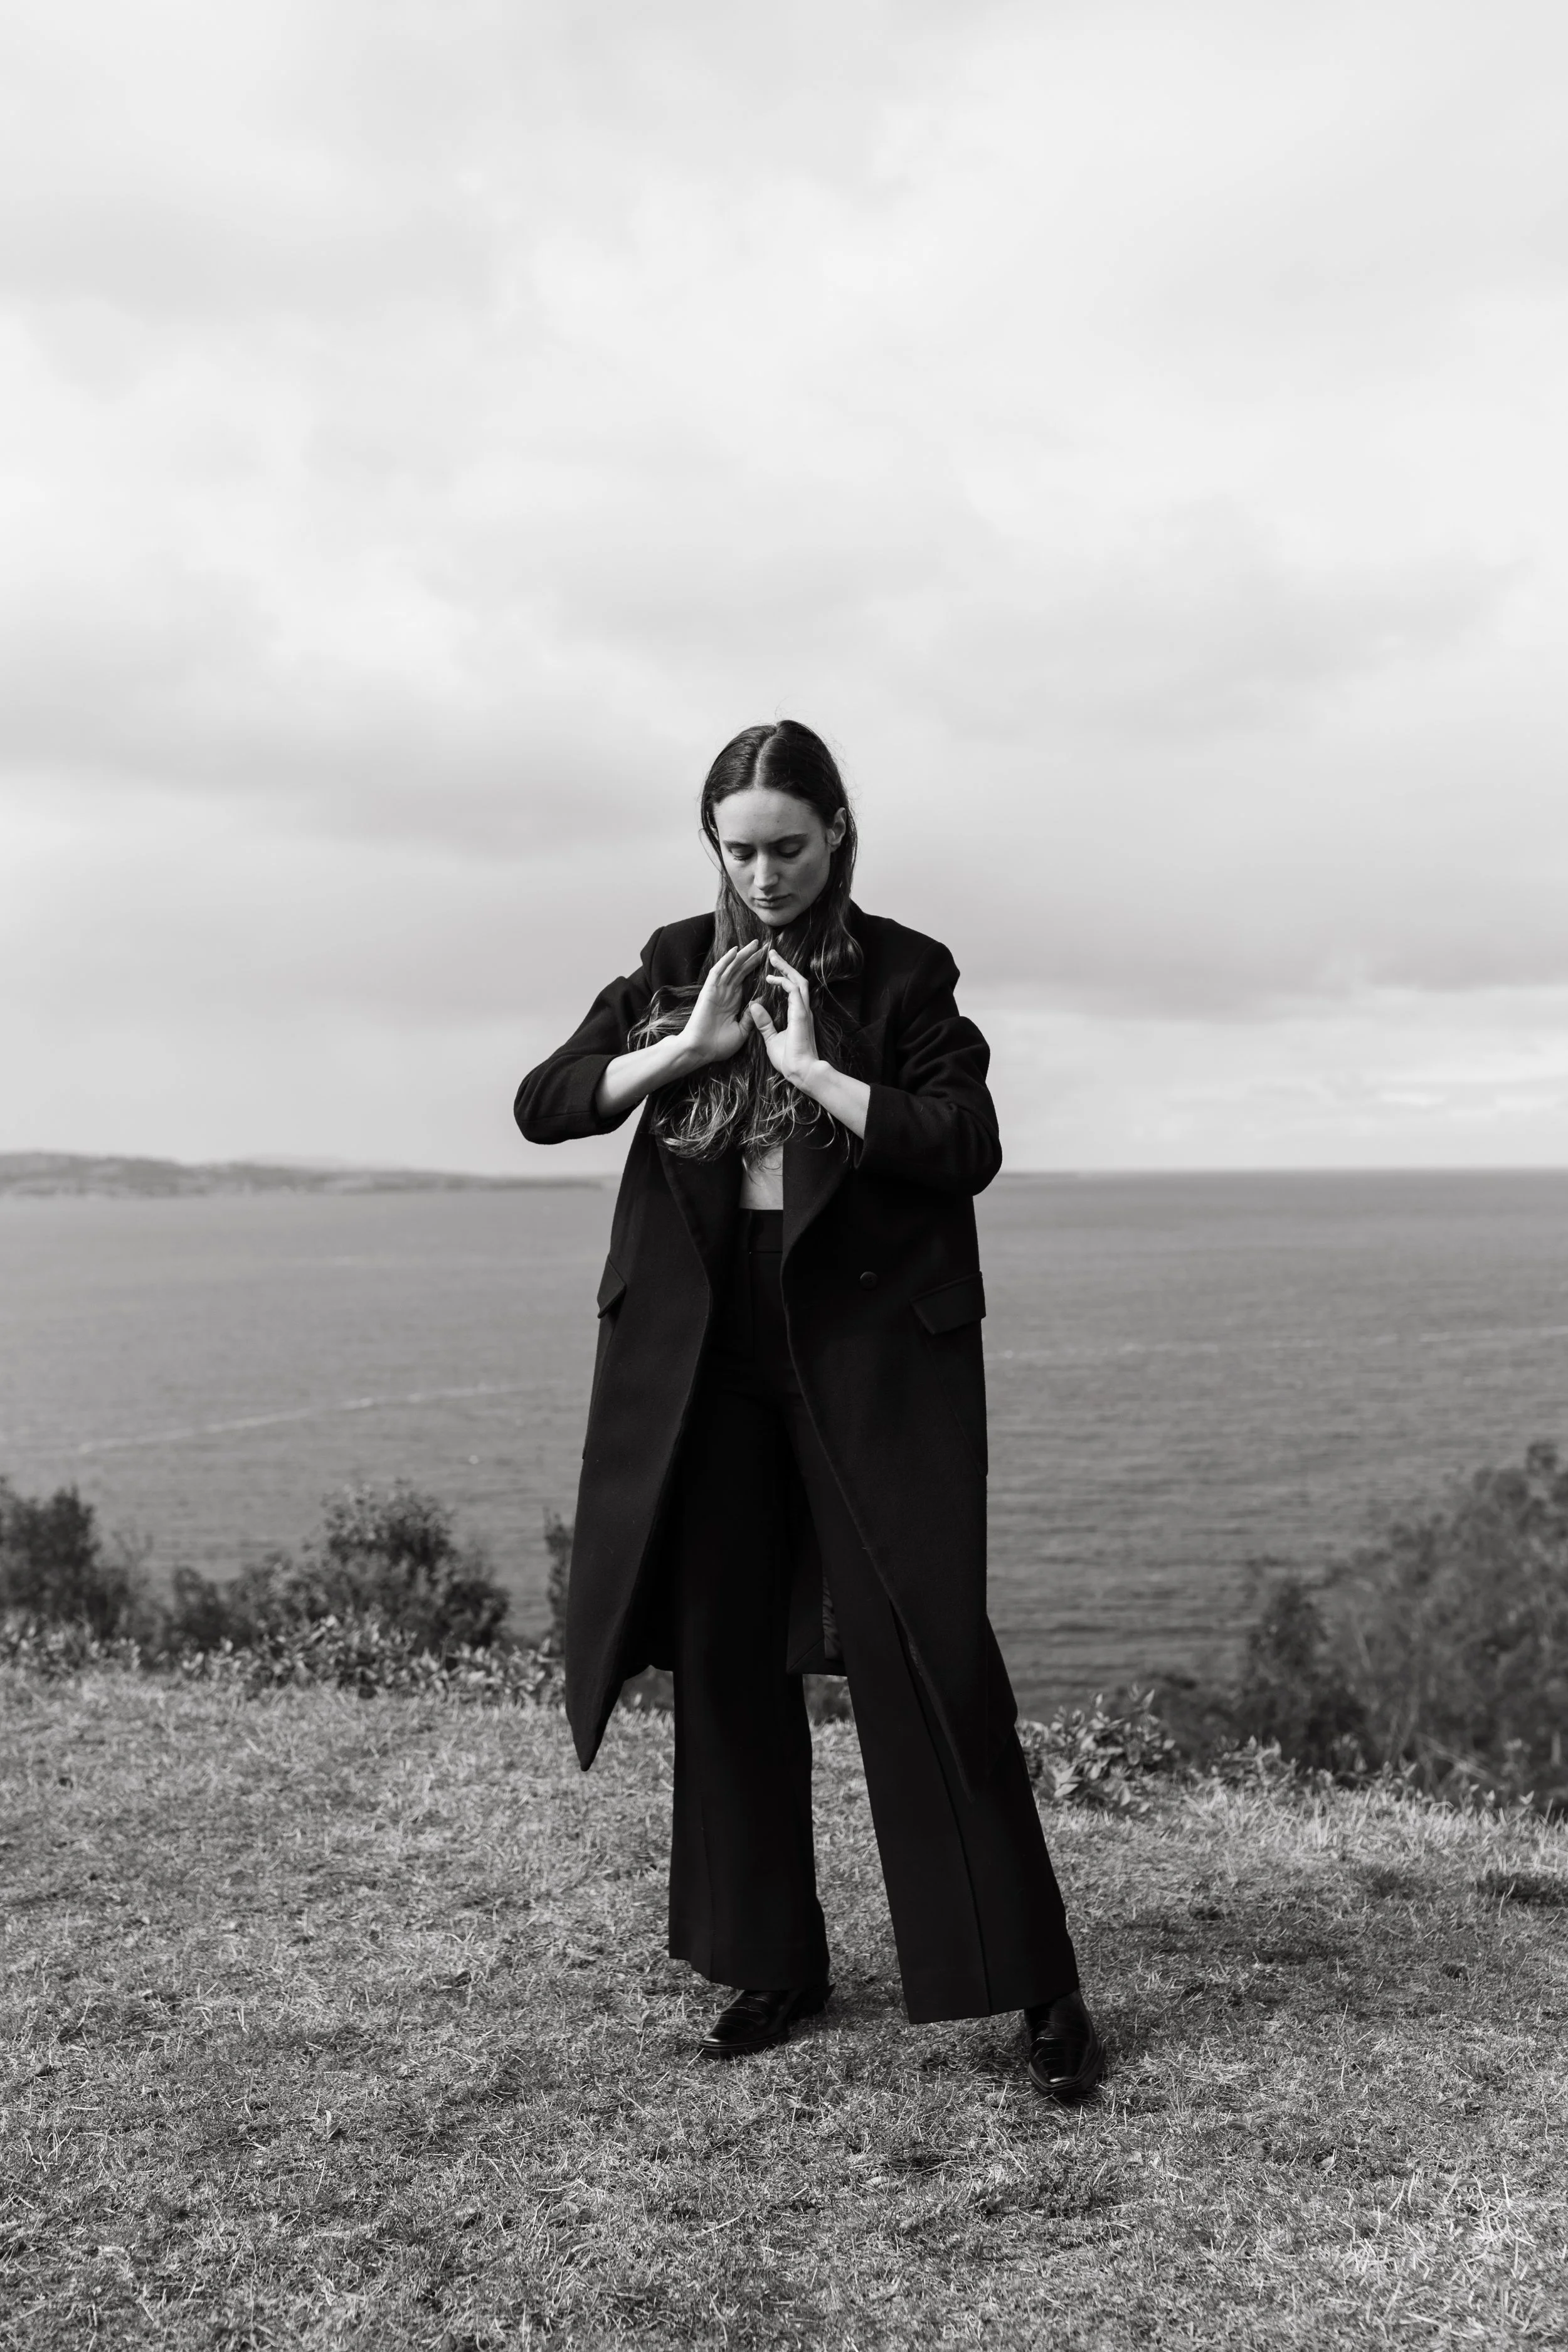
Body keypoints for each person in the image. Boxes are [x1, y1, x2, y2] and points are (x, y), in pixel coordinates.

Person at [514, 719, 1104, 2100]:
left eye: (790, 844)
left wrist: (814, 1075)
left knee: (931, 1654)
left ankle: (1032, 1984)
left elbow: (966, 1144)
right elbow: (545, 1106)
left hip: (866, 1360)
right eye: (741, 848)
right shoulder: (673, 965)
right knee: (723, 1658)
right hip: (708, 1365)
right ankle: (768, 1958)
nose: (766, 871)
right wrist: (686, 1051)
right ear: (712, 846)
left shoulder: (906, 972)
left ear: (837, 831)